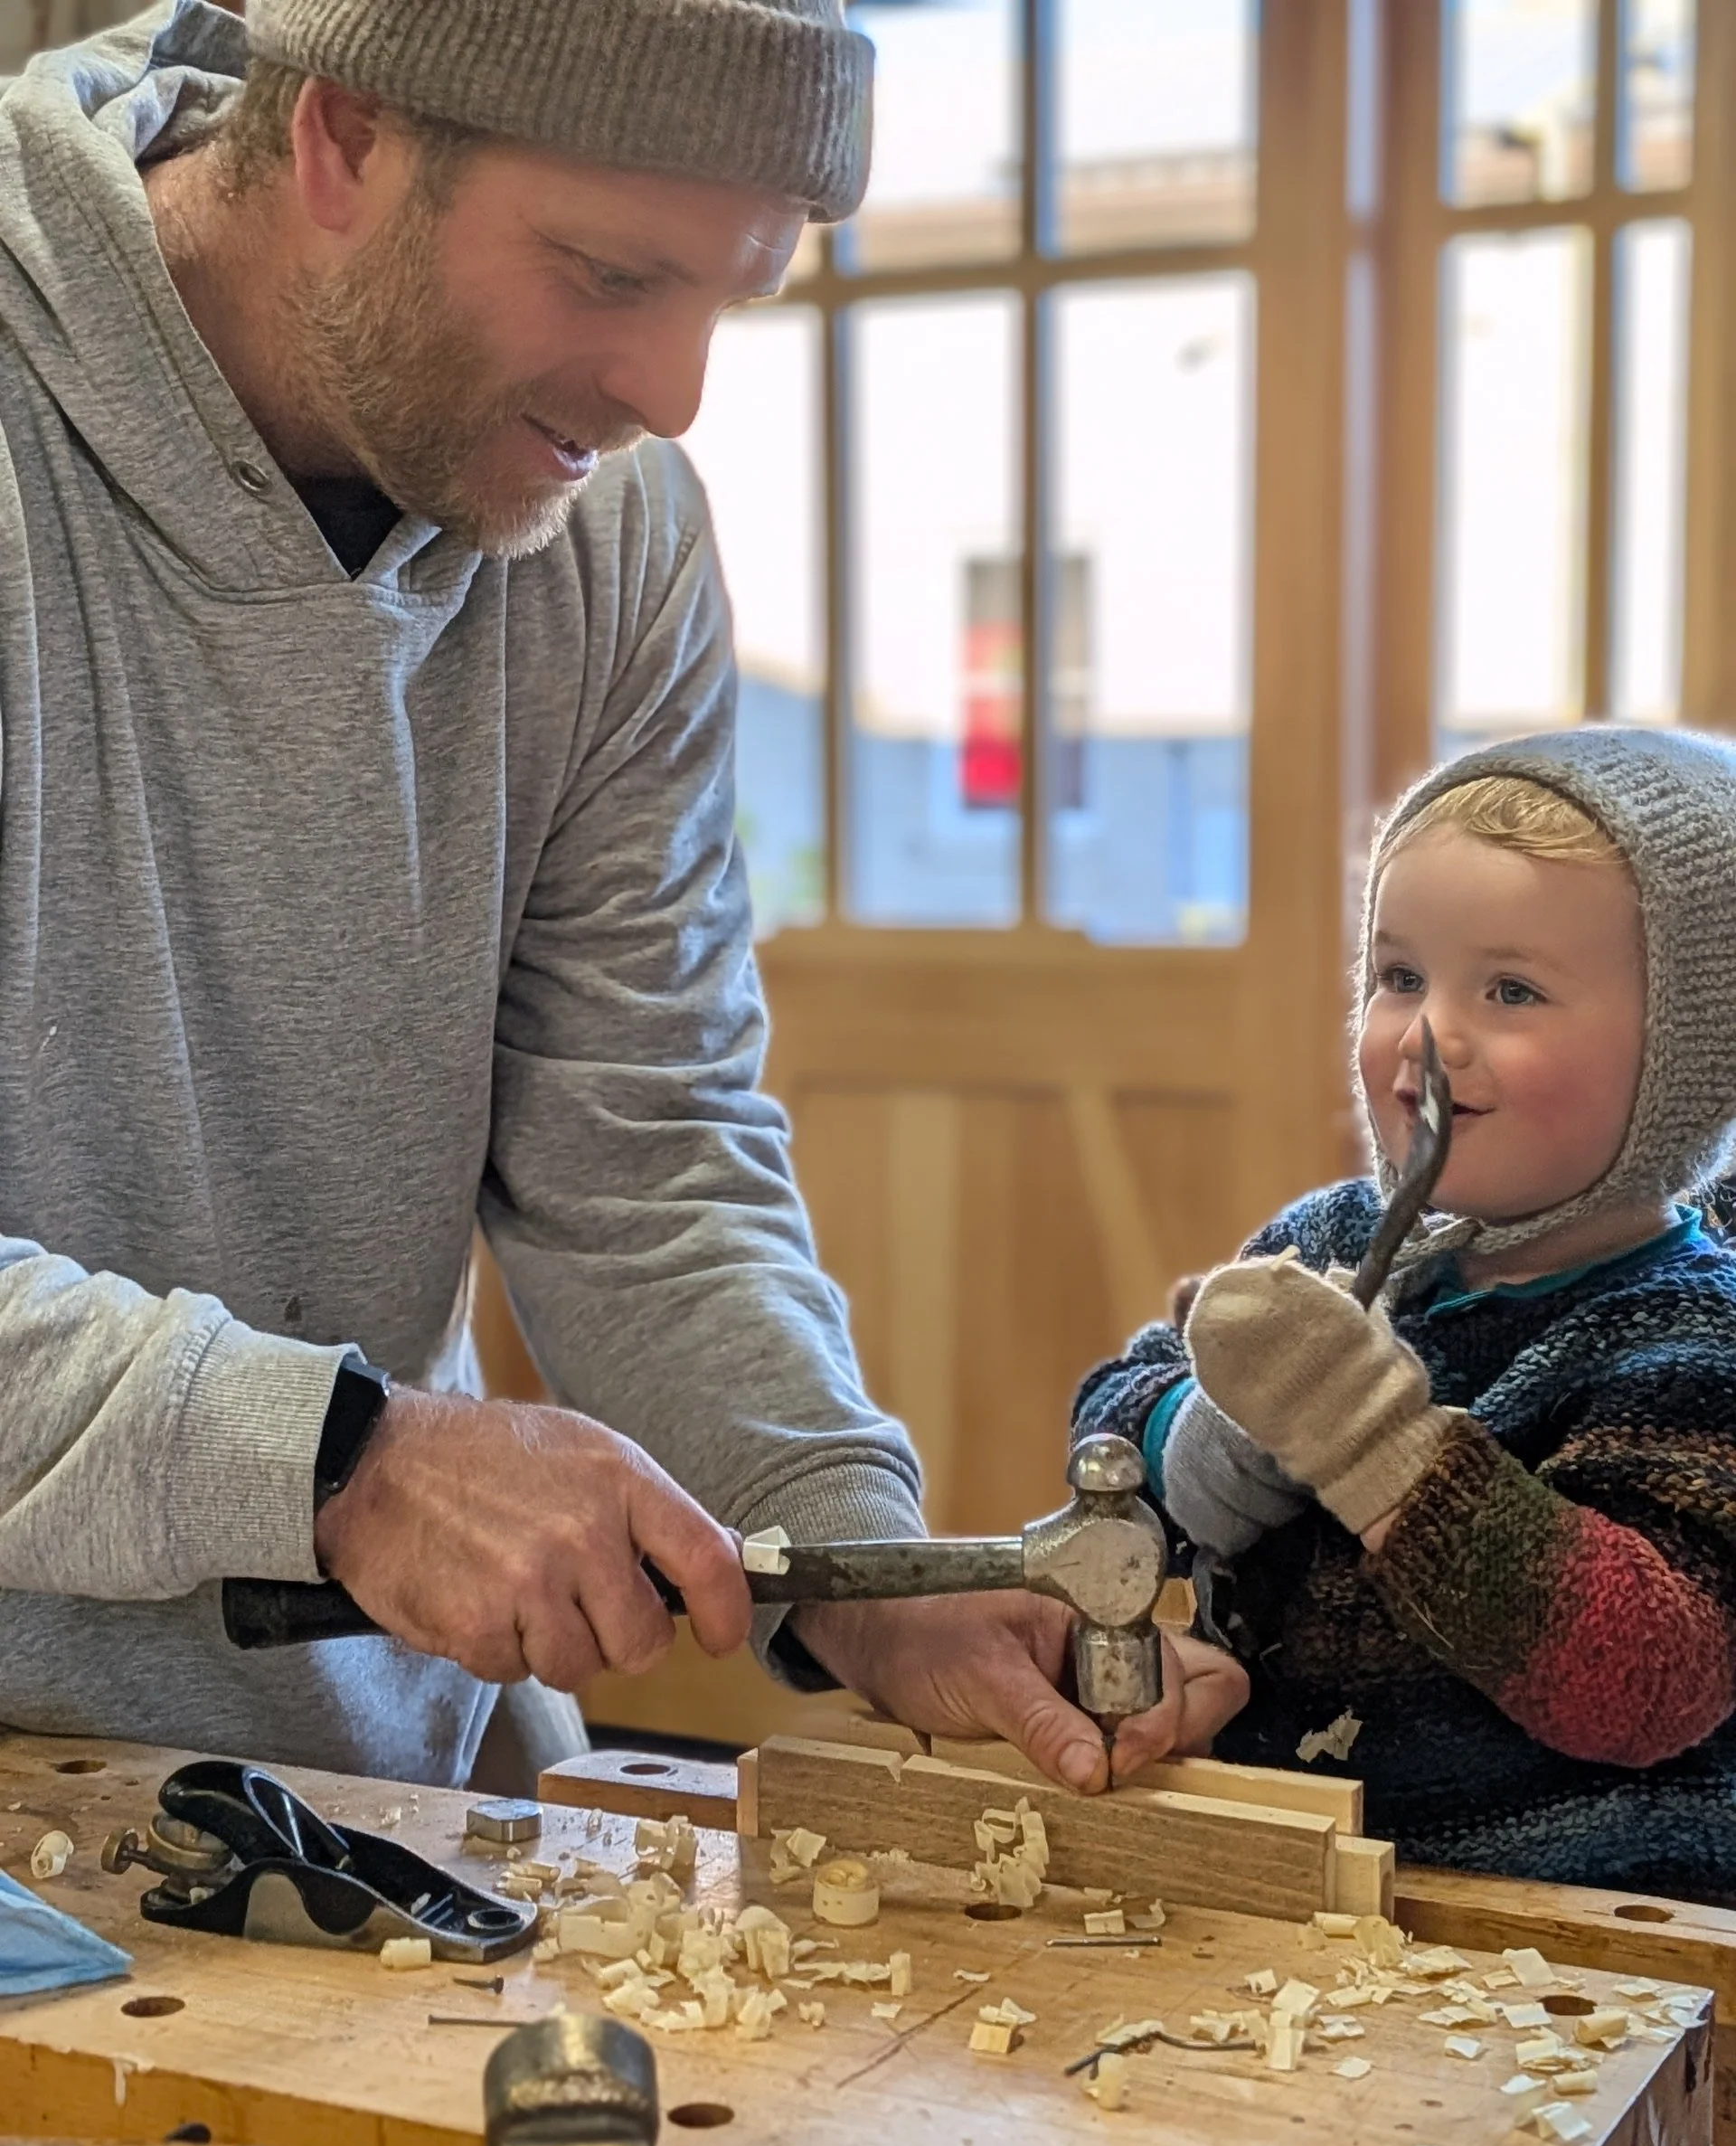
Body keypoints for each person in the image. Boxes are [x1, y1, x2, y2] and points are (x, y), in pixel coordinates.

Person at [0, 0, 1241, 1794]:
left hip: (394, 1792)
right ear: (343, 141)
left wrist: (854, 1557)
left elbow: (642, 1153)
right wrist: (335, 1460)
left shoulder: (607, 532)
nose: (672, 397)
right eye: (608, 275)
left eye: (727, 299)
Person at [1076, 728, 1736, 1899]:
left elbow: (1645, 1676)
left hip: (1581, 1971)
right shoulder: (1325, 1242)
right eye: (1398, 977)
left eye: (1512, 989)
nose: (1428, 1037)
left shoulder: (1690, 1332)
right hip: (1295, 1903)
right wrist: (1210, 1441)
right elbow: (1111, 1431)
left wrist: (1374, 1448)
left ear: (1691, 1057)